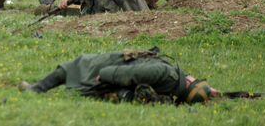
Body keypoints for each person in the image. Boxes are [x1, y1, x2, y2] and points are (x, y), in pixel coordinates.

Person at [18, 47, 221, 105]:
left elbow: (130, 73)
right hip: (119, 81)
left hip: (110, 73)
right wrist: (211, 92)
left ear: (189, 83)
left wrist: (104, 74)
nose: (194, 77)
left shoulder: (165, 73)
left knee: (76, 65)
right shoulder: (174, 85)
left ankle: (37, 89)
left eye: (195, 81)